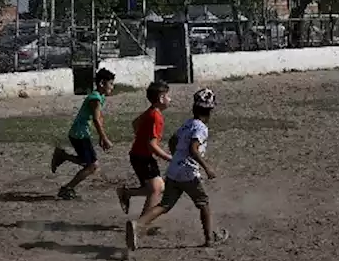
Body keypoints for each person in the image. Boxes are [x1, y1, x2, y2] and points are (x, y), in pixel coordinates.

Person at [125, 87, 230, 250]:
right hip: (188, 174)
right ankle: (210, 239)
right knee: (204, 203)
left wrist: (177, 158)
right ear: (210, 111)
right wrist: (207, 168)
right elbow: (194, 149)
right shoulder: (201, 128)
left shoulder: (188, 123)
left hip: (174, 171)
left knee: (165, 205)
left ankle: (137, 224)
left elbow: (173, 140)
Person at [50, 67, 115, 199]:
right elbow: (96, 119)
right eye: (111, 84)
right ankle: (67, 188)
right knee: (92, 166)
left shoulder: (99, 97)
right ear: (102, 83)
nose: (112, 87)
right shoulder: (95, 98)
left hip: (80, 133)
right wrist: (104, 137)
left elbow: (99, 117)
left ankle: (62, 156)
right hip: (80, 134)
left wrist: (101, 137)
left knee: (90, 164)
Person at [116, 80, 172, 217]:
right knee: (157, 189)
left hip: (139, 155)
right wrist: (170, 158)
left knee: (156, 187)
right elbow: (152, 145)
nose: (170, 99)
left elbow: (135, 123)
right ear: (161, 98)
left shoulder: (151, 111)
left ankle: (127, 193)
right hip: (141, 157)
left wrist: (141, 138)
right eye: (168, 96)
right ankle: (142, 224)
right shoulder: (156, 116)